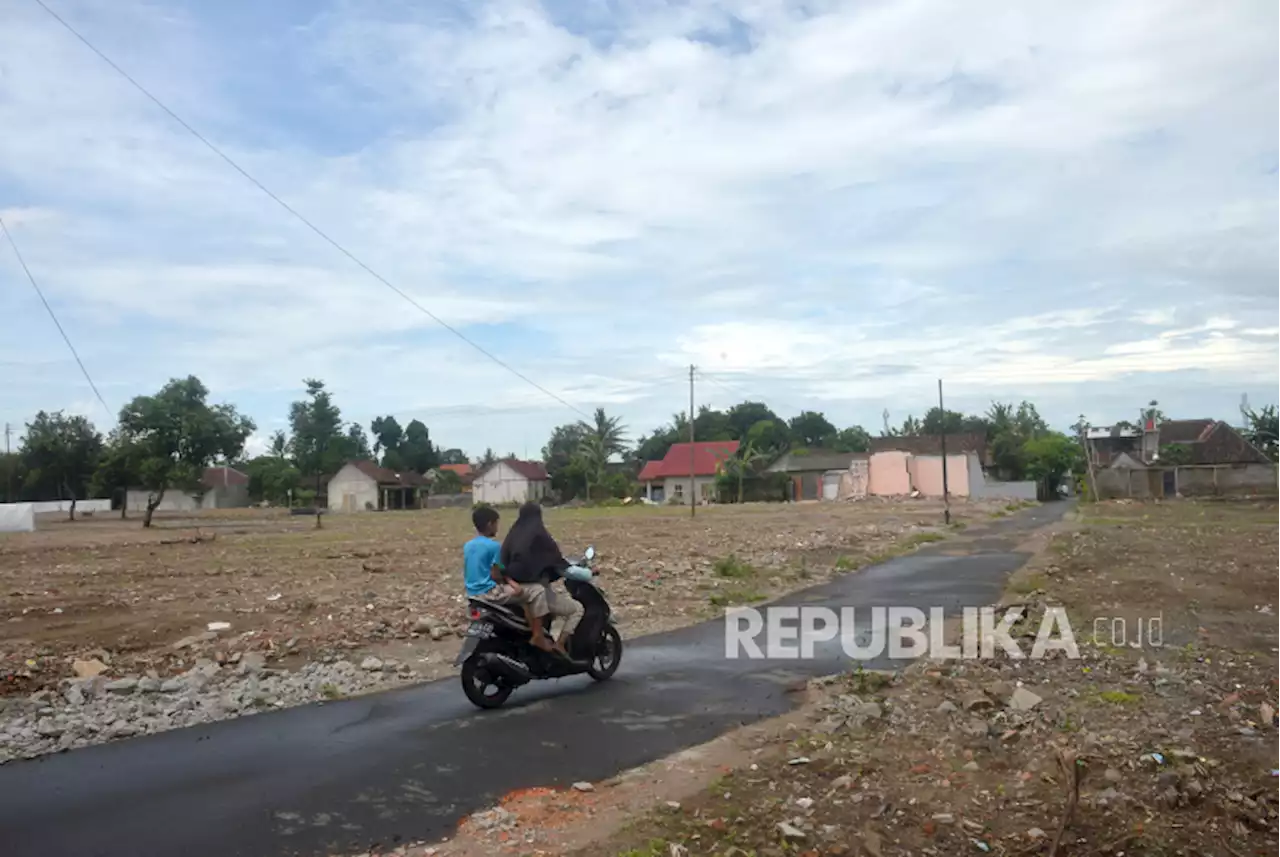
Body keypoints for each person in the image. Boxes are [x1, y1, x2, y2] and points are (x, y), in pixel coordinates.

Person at [463, 505, 556, 652]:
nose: (497, 527)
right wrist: (513, 583)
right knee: (537, 591)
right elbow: (496, 574)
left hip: (472, 593)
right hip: (490, 592)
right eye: (496, 524)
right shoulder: (493, 546)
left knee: (523, 601)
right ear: (490, 524)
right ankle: (538, 636)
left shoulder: (468, 546)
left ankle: (527, 629)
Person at [500, 502, 584, 653]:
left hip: (512, 587)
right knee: (576, 609)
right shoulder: (539, 535)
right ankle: (560, 644)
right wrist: (584, 572)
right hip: (535, 590)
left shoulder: (513, 534)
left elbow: (503, 561)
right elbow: (557, 561)